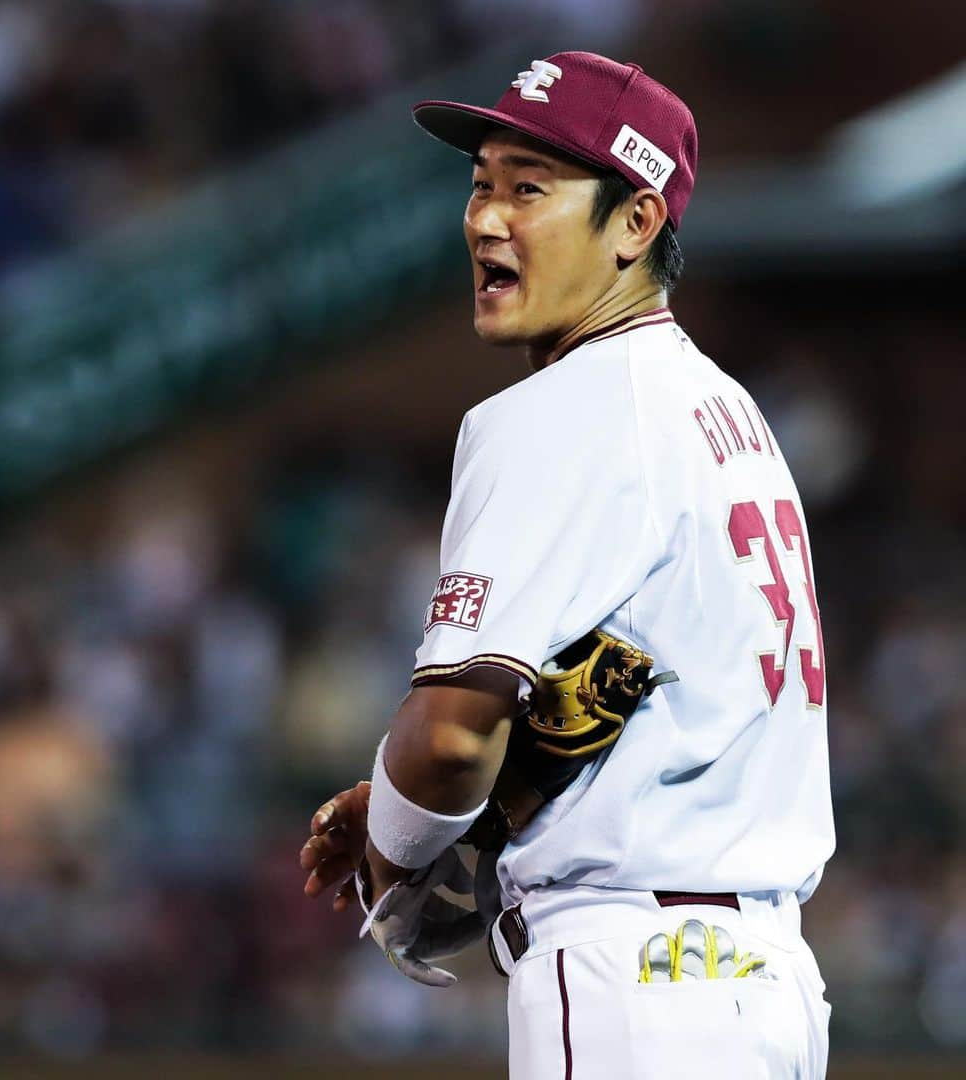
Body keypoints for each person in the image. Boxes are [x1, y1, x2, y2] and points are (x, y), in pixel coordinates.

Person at [300, 51, 833, 1079]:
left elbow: (454, 739)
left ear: (636, 224)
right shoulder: (728, 413)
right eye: (481, 184)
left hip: (636, 986)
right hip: (763, 989)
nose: (487, 218)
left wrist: (395, 848)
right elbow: (612, 700)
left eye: (530, 189)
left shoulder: (564, 408)